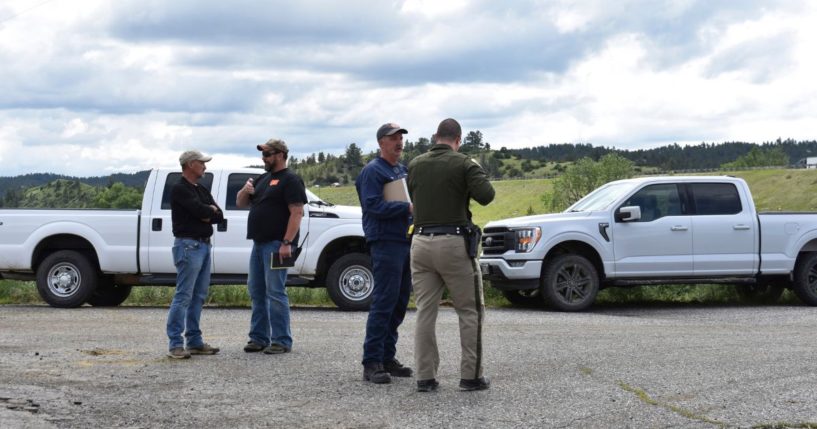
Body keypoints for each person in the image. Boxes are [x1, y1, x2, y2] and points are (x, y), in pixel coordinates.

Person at [408, 118, 495, 392]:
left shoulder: (414, 164)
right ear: (458, 139)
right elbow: (487, 196)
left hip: (420, 242)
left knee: (425, 311)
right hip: (453, 242)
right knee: (469, 311)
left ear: (436, 137)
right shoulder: (464, 163)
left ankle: (425, 377)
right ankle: (470, 376)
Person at [355, 123, 414, 384]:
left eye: (401, 138)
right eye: (393, 138)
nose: (399, 142)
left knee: (400, 301)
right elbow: (373, 206)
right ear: (381, 143)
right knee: (384, 301)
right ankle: (372, 362)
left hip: (404, 240)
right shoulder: (372, 171)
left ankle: (387, 356)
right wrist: (407, 208)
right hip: (385, 242)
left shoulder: (401, 169)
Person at [236, 139, 307, 355]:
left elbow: (297, 212)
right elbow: (241, 203)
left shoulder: (291, 180)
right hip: (258, 245)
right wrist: (245, 190)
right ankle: (258, 338)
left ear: (281, 155)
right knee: (257, 291)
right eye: (263, 154)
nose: (264, 158)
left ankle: (281, 340)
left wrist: (287, 243)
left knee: (275, 291)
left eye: (268, 154)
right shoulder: (262, 178)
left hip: (278, 245)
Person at [166, 150, 224, 359]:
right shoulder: (180, 189)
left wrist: (207, 212)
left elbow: (219, 215)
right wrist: (206, 212)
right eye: (202, 163)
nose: (205, 167)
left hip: (203, 246)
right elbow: (203, 212)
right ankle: (175, 344)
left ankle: (194, 341)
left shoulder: (200, 189)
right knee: (183, 296)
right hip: (188, 246)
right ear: (190, 165)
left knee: (198, 296)